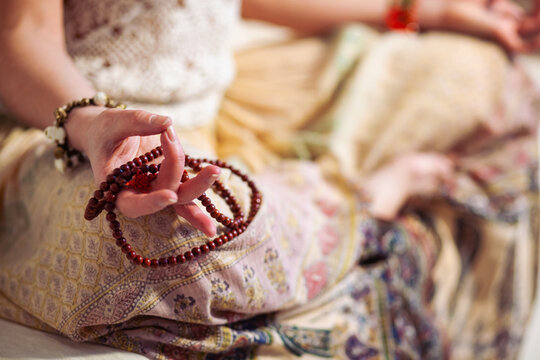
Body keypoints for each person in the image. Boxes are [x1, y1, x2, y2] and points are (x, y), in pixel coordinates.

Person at [0, 0, 538, 359]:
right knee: (182, 231)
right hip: (71, 122)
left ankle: (323, 202)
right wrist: (92, 124)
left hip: (232, 100)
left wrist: (423, 9)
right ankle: (360, 203)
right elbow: (20, 36)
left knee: (483, 71)